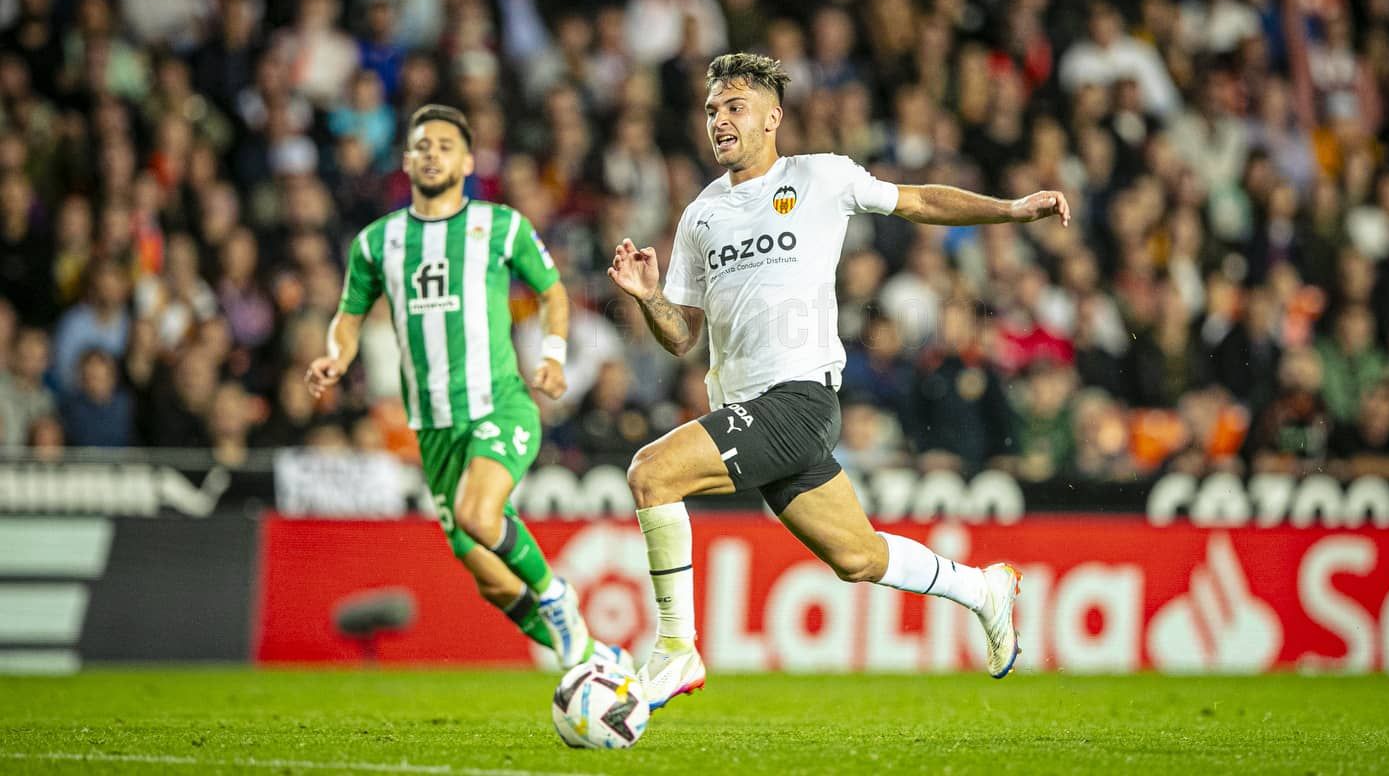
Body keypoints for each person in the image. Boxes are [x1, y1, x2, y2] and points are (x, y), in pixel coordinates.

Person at [607, 53, 1071, 708]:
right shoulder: (700, 217)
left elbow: (919, 200)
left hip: (797, 399)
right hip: (750, 412)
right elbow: (682, 337)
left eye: (734, 107)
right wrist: (649, 299)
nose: (719, 120)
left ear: (773, 118)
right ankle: (983, 590)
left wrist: (1013, 210)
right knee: (858, 559)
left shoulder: (820, 176)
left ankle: (676, 648)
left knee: (652, 473)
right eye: (711, 109)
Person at [305, 104, 624, 671]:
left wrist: (552, 357)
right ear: (406, 161)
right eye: (422, 146)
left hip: (499, 404)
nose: (432, 155)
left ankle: (557, 598)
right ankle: (591, 664)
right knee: (492, 580)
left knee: (481, 516)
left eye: (445, 146)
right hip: (433, 429)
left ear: (468, 160)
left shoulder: (500, 226)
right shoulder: (379, 243)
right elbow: (350, 314)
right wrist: (335, 355)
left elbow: (552, 292)